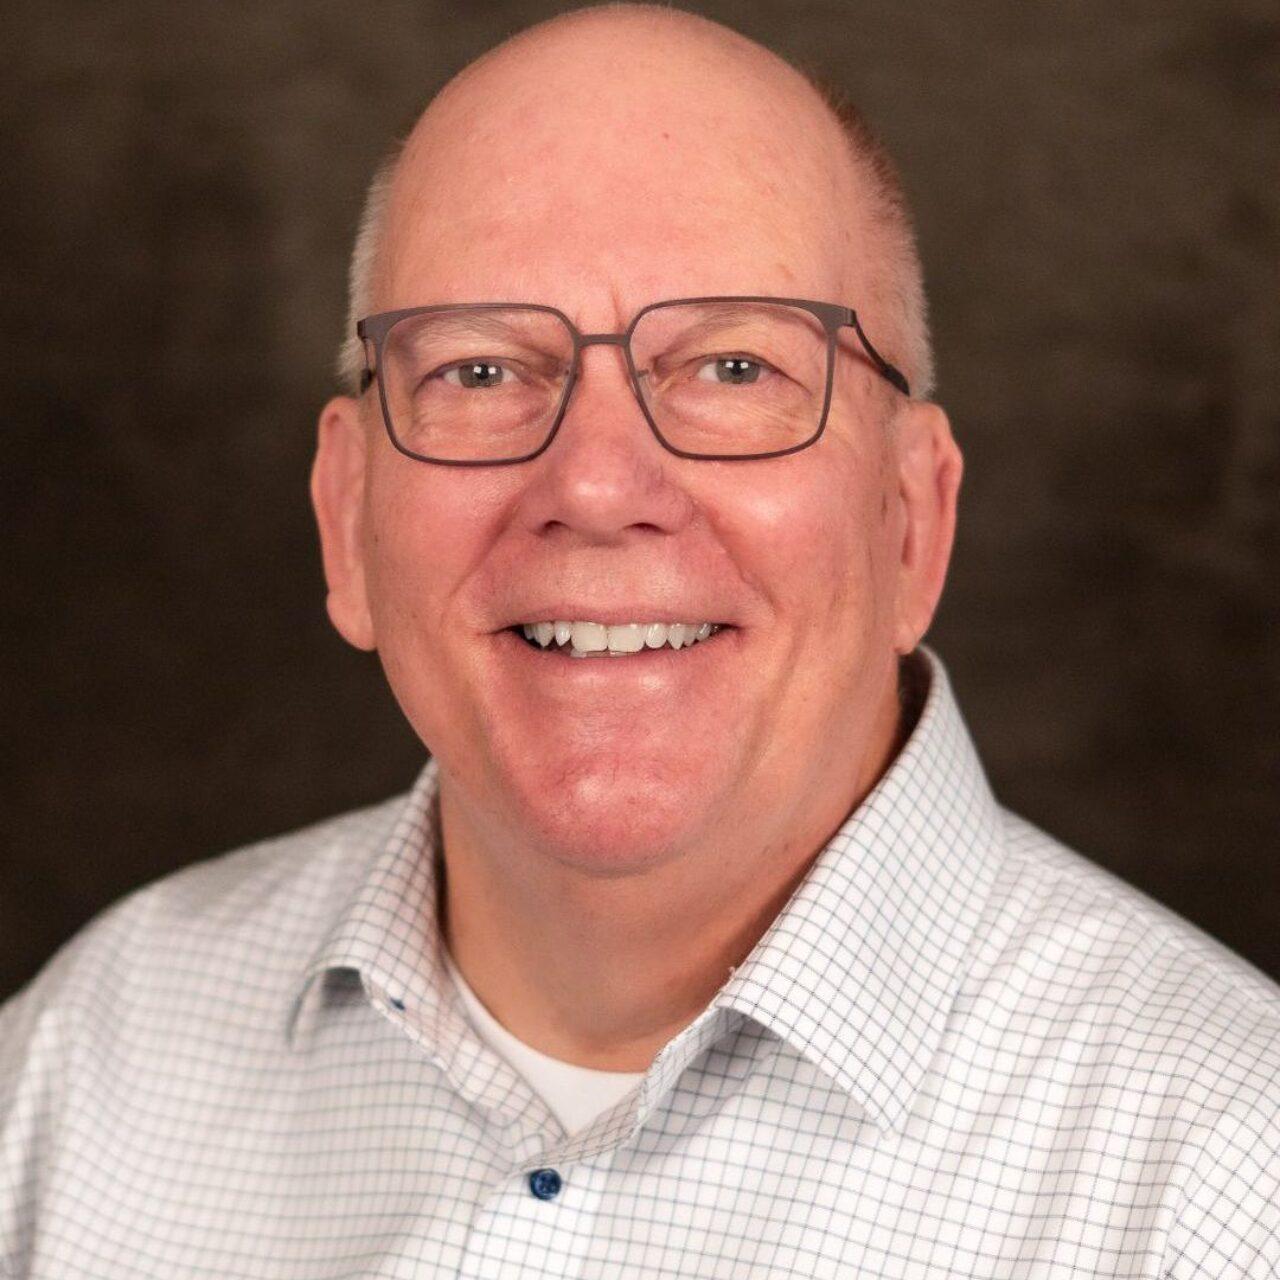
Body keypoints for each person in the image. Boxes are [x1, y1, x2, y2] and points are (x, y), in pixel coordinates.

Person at [2, 5, 1276, 1276]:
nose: (599, 484)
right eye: (481, 371)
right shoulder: (85, 1063)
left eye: (731, 369)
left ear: (909, 522)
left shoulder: (1223, 1175)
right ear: (346, 520)